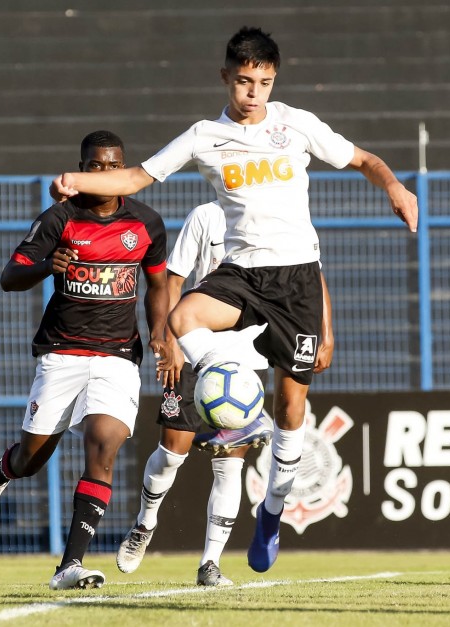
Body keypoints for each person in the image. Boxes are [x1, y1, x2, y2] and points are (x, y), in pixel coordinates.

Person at [50, 26, 417, 573]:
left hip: (296, 280)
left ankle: (270, 514)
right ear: (226, 77)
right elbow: (136, 175)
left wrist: (395, 187)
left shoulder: (297, 125)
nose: (253, 93)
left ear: (274, 81)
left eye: (264, 83)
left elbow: (364, 159)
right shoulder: (203, 136)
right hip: (243, 274)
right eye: (244, 82)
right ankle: (239, 408)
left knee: (292, 411)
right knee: (182, 317)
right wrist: (77, 180)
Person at [0, 131, 169, 590]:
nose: (105, 173)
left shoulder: (147, 224)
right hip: (61, 355)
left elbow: (158, 284)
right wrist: (46, 266)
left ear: (125, 167)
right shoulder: (59, 219)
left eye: (113, 164)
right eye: (94, 166)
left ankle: (70, 566)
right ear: (80, 169)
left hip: (118, 356)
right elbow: (9, 276)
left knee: (104, 444)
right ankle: (3, 471)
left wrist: (160, 333)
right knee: (31, 460)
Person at [115, 200, 334, 586]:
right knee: (171, 454)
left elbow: (313, 276)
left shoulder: (285, 217)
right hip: (199, 351)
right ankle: (144, 523)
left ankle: (210, 564)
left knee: (230, 463)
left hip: (247, 362)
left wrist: (327, 333)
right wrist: (170, 341)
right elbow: (174, 281)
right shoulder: (207, 216)